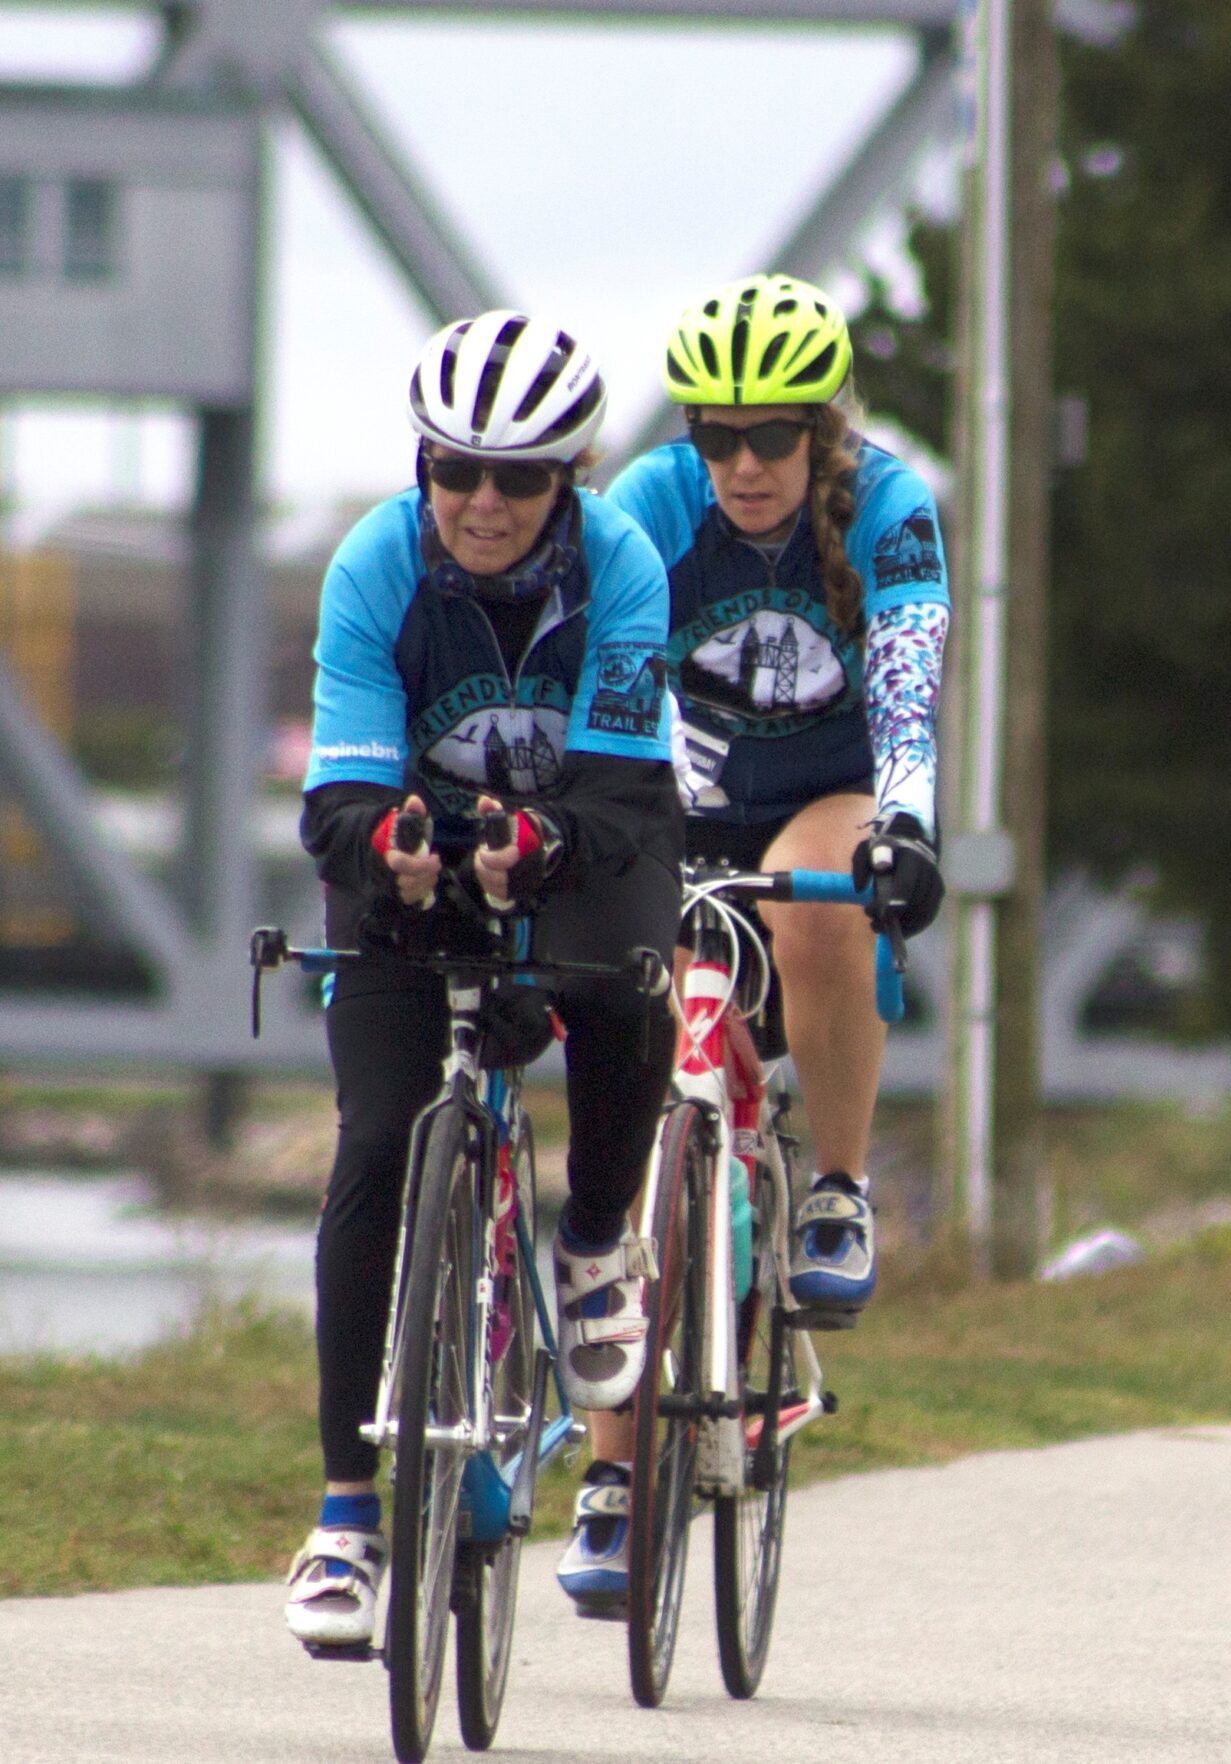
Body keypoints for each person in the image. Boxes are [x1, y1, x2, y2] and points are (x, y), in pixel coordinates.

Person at [284, 313, 681, 1649]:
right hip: (411, 863)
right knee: (378, 1145)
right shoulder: (375, 563)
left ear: (569, 479)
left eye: (518, 478)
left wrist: (541, 861)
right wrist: (391, 854)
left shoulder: (623, 565)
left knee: (629, 993)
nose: (483, 502)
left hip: (582, 838)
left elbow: (625, 788)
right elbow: (339, 789)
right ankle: (347, 1515)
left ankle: (588, 1243)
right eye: (456, 469)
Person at [564, 274, 946, 1603]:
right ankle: (612, 1475)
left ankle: (835, 1188)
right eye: (718, 436)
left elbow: (906, 698)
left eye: (771, 437)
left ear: (820, 433)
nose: (743, 466)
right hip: (689, 787)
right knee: (636, 1103)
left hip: (828, 793)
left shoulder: (885, 509)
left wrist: (908, 827)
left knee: (816, 887)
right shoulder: (651, 508)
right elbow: (617, 686)